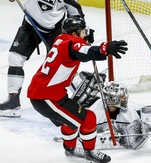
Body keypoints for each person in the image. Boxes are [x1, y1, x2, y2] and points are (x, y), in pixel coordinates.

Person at [0, 0, 93, 117]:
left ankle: (81, 98)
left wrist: (83, 33)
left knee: (62, 65)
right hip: (30, 24)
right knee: (15, 57)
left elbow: (76, 14)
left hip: (55, 30)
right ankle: (13, 103)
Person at [27, 15, 128, 162]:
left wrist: (84, 41)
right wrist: (104, 48)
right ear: (74, 34)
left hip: (50, 93)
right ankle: (90, 152)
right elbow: (83, 52)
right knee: (88, 119)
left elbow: (77, 49)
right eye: (83, 31)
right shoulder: (72, 43)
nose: (85, 33)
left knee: (73, 120)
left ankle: (70, 149)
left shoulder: (61, 39)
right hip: (45, 97)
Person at [70, 72, 151, 149]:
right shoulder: (95, 112)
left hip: (103, 101)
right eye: (121, 96)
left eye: (124, 95)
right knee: (80, 93)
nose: (125, 98)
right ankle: (76, 79)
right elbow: (80, 134)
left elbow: (139, 131)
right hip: (91, 104)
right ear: (113, 99)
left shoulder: (129, 113)